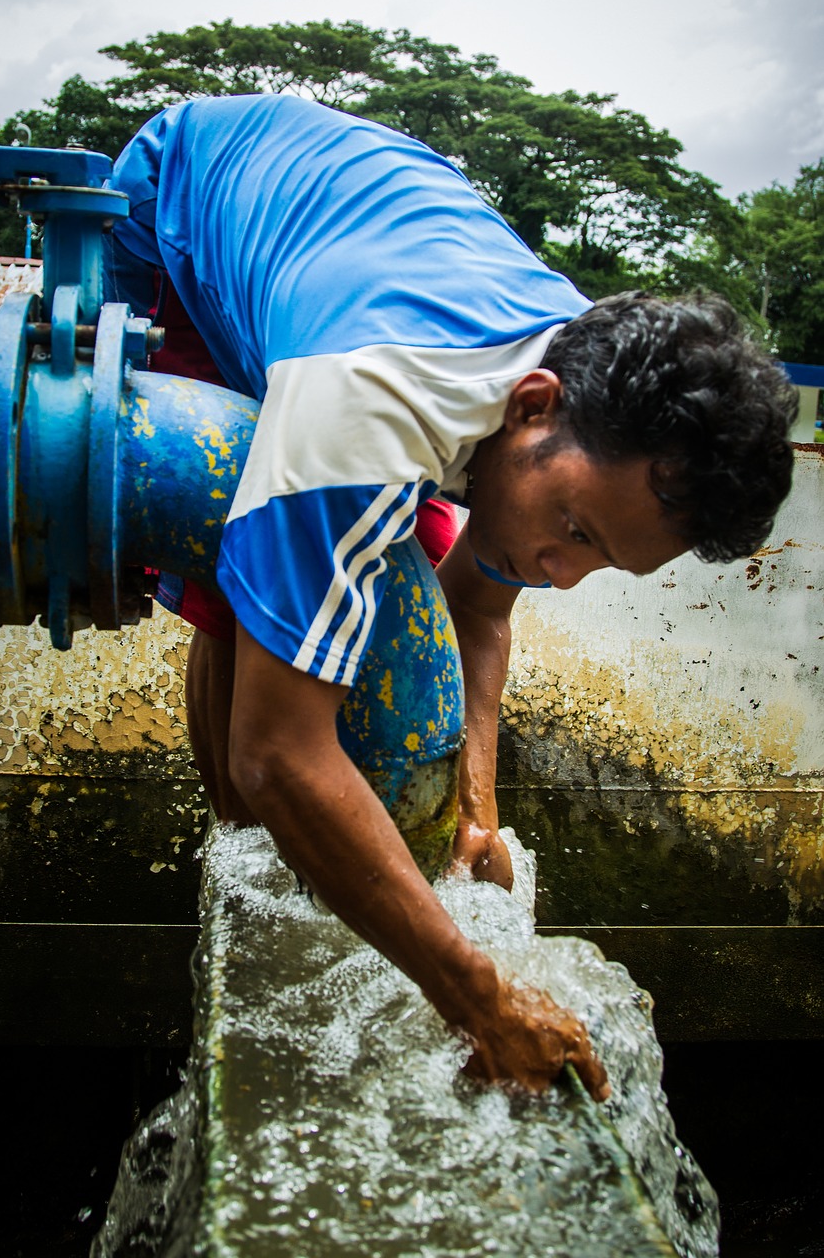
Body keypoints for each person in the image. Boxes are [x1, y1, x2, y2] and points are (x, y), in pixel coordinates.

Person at [104, 93, 796, 1101]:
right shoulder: (369, 408)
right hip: (182, 211)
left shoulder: (572, 385)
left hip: (349, 240)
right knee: (242, 566)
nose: (562, 571)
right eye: (576, 533)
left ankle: (308, 858)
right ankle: (249, 871)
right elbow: (278, 748)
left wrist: (478, 811)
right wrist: (479, 998)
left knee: (400, 557)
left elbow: (476, 605)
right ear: (531, 407)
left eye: (604, 563)